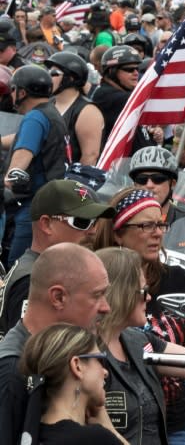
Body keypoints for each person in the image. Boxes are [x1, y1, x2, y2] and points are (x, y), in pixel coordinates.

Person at [88, 188, 185, 445]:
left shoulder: (177, 281)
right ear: (118, 232)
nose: (157, 233)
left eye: (160, 224)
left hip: (175, 422)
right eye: (146, 225)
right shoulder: (93, 295)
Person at [0, 243, 112, 445]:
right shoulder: (12, 372)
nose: (106, 307)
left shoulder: (74, 355)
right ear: (58, 297)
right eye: (97, 295)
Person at [96, 247, 185, 445]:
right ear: (122, 293)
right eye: (143, 291)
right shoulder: (86, 353)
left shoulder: (139, 341)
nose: (149, 298)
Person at [0, 179, 115, 338]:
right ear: (46, 224)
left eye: (95, 223)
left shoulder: (38, 270)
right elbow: (33, 354)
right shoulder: (32, 279)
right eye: (82, 222)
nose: (93, 231)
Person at [18, 324, 128, 444]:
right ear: (77, 366)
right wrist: (111, 430)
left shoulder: (28, 432)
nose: (105, 372)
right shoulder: (95, 439)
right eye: (100, 359)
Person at [3, 65, 67, 265]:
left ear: (21, 92)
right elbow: (24, 138)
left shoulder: (35, 117)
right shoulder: (50, 113)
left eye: (13, 90)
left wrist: (9, 179)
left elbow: (24, 152)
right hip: (51, 202)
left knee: (19, 265)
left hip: (33, 204)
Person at [45, 51, 105, 165]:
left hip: (67, 180)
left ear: (71, 78)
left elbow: (90, 156)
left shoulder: (87, 111)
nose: (48, 77)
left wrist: (74, 182)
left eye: (54, 73)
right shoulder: (49, 104)